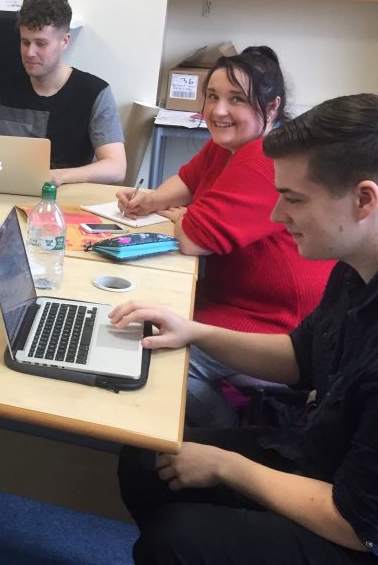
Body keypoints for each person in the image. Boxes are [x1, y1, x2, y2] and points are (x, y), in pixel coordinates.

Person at [111, 93, 378, 564]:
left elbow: (359, 523)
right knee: (147, 460)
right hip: (321, 457)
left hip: (354, 525)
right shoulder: (354, 269)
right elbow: (301, 355)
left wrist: (228, 467)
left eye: (293, 200)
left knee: (178, 539)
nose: (277, 216)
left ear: (363, 200)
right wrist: (194, 332)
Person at [116, 47, 334, 427]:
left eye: (236, 100)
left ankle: (223, 438)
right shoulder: (228, 146)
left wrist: (188, 219)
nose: (217, 111)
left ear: (272, 107)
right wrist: (150, 200)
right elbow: (186, 181)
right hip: (233, 297)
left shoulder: (264, 156)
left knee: (156, 362)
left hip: (273, 321)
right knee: (141, 319)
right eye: (212, 96)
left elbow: (195, 238)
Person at [0, 0, 125, 185]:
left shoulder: (95, 92)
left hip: (67, 200)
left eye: (41, 43)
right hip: (6, 192)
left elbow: (116, 167)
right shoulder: (0, 87)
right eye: (25, 42)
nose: (30, 52)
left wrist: (58, 176)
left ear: (65, 41)